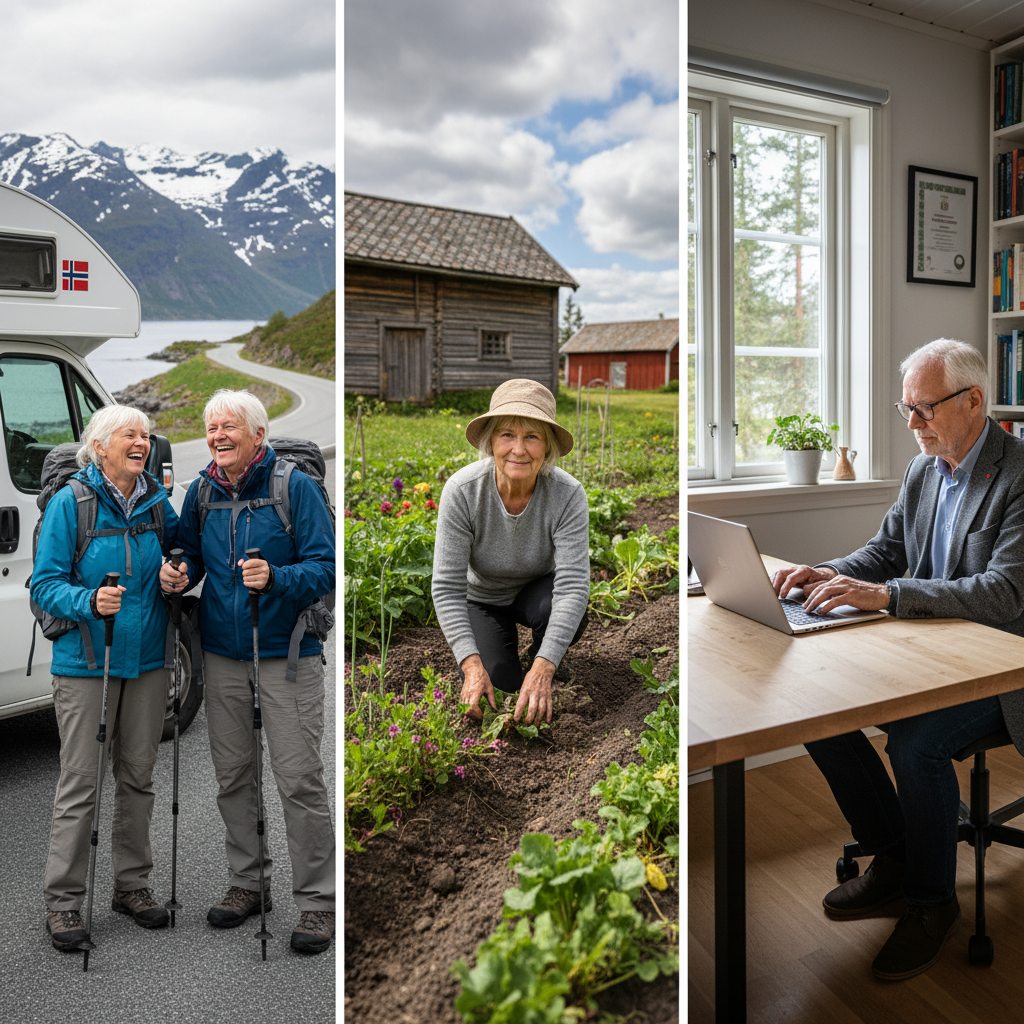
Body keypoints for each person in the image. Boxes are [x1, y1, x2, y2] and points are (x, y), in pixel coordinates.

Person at [772, 338, 1024, 981]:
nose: (911, 423)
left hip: (1004, 666)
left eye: (924, 408)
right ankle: (893, 857)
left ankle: (932, 903)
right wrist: (824, 573)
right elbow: (883, 553)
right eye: (905, 407)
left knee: (915, 742)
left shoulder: (1018, 474)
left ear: (972, 402)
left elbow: (1006, 593)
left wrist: (887, 595)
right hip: (931, 650)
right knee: (820, 710)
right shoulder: (923, 468)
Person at [160, 389, 336, 954]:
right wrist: (177, 573)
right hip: (224, 654)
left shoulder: (295, 487)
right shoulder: (203, 492)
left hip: (289, 654)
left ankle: (317, 902)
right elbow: (185, 551)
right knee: (233, 776)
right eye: (211, 427)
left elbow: (325, 568)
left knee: (299, 780)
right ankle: (248, 883)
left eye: (228, 427)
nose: (216, 436)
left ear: (257, 434)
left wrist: (276, 578)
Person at [35, 405, 180, 950]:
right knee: (81, 784)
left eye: (145, 435)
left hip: (145, 661)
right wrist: (89, 600)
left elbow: (172, 562)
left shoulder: (156, 502)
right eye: (129, 435)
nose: (142, 443)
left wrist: (174, 575)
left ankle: (131, 886)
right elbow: (43, 586)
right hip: (87, 663)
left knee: (138, 777)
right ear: (100, 446)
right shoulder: (72, 504)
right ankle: (65, 902)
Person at [432, 378, 590, 727]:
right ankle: (504, 661)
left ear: (547, 447)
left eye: (532, 436)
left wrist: (545, 666)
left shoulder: (567, 495)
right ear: (491, 441)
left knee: (564, 611)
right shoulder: (462, 492)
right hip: (482, 599)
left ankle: (542, 656)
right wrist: (471, 665)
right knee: (499, 687)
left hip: (536, 593)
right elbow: (446, 588)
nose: (519, 449)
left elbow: (574, 586)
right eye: (507, 435)